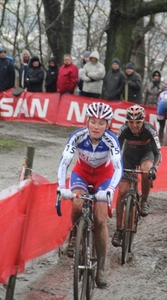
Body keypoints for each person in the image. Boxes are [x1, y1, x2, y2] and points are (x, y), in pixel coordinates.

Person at [57, 102, 123, 288]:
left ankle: (100, 268)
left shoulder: (111, 139)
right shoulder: (77, 136)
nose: (96, 126)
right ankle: (74, 234)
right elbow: (64, 163)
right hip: (82, 174)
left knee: (101, 220)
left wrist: (110, 190)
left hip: (104, 177)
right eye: (93, 121)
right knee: (77, 204)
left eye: (101, 123)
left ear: (108, 125)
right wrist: (62, 187)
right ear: (87, 121)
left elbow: (119, 167)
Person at [112, 104, 161, 247]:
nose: (134, 125)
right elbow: (115, 151)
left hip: (146, 154)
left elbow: (158, 153)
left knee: (146, 171)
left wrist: (154, 169)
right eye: (131, 122)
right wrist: (116, 167)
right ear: (127, 121)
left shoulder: (149, 130)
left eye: (137, 122)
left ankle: (144, 200)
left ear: (143, 121)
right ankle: (119, 230)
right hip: (129, 157)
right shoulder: (124, 130)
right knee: (122, 192)